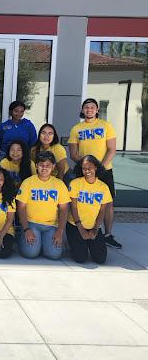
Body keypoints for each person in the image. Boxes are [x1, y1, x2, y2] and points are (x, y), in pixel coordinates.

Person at [68, 98, 120, 249]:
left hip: (104, 170)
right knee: (80, 200)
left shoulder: (106, 126)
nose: (89, 109)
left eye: (92, 107)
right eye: (86, 107)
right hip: (83, 171)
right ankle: (81, 230)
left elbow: (112, 149)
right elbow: (73, 153)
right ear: (82, 110)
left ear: (97, 110)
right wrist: (87, 167)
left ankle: (108, 235)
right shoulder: (76, 129)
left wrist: (99, 167)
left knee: (108, 203)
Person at [16, 151, 70, 260]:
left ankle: (42, 242)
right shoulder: (28, 182)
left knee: (54, 255)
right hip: (32, 224)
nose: (44, 168)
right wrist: (26, 229)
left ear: (53, 166)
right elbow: (21, 207)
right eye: (41, 165)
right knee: (30, 254)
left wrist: (60, 231)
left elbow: (64, 210)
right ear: (36, 166)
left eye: (48, 165)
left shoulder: (59, 184)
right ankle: (21, 235)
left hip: (51, 226)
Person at [67, 155, 112, 264]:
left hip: (93, 226)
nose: (87, 170)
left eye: (90, 167)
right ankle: (77, 242)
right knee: (81, 258)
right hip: (75, 225)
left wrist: (95, 230)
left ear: (96, 167)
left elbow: (102, 211)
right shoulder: (75, 183)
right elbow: (73, 207)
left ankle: (86, 242)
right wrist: (81, 229)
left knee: (100, 259)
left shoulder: (103, 187)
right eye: (84, 168)